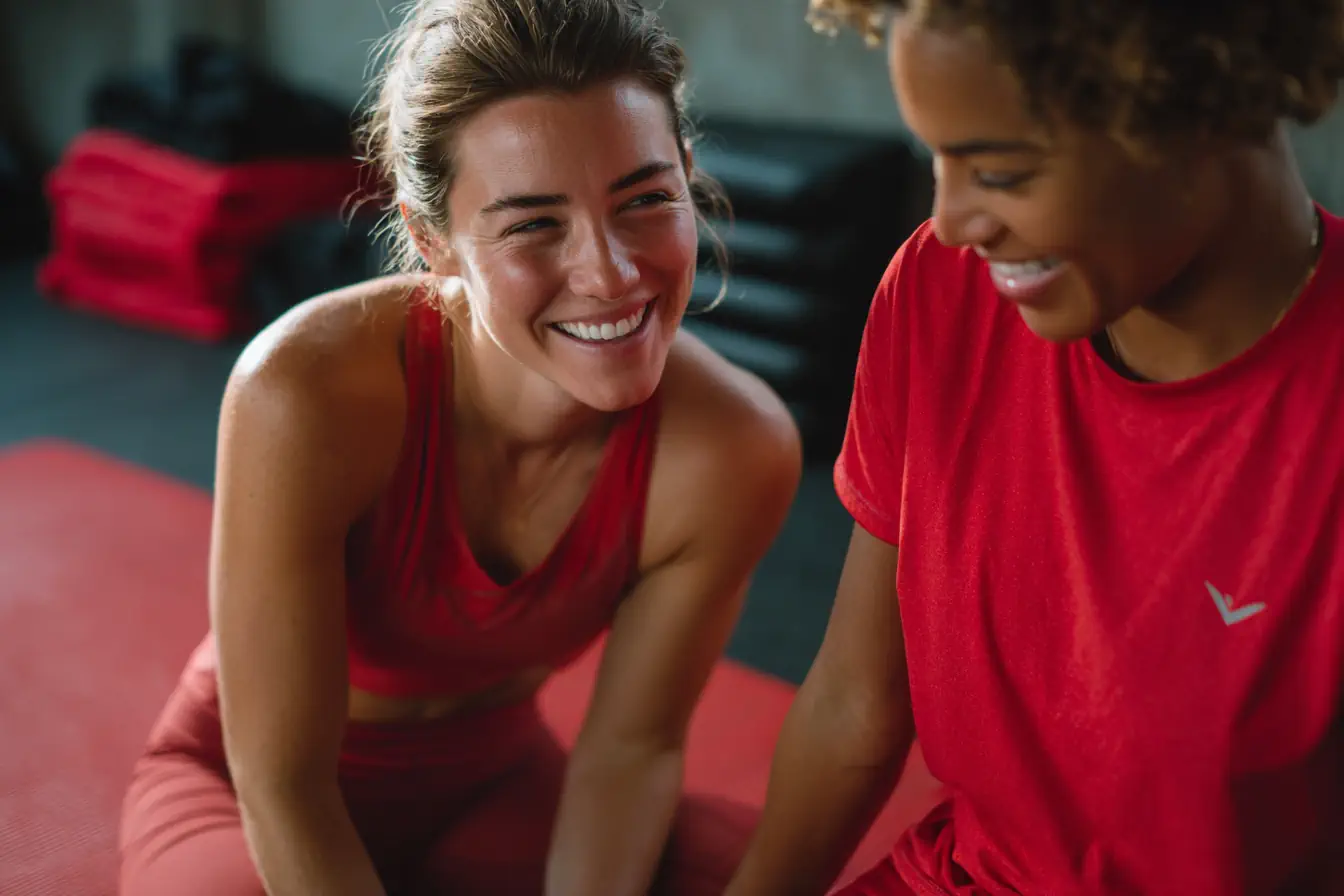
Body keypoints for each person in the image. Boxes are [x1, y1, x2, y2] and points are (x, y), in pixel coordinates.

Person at [117, 1, 802, 894]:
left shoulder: (736, 446)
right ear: (432, 238)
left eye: (645, 200)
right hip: (248, 788)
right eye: (533, 224)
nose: (611, 273)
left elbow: (633, 749)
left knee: (751, 873)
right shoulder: (304, 391)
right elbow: (284, 785)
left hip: (497, 784)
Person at [727, 1, 1344, 894]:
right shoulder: (940, 291)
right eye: (939, 160)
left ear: (1201, 108)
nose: (950, 220)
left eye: (1001, 173)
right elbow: (858, 702)